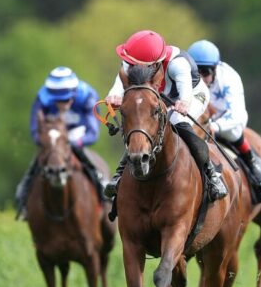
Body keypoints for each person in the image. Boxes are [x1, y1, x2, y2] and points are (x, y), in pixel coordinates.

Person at [103, 30, 227, 201]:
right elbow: (118, 85)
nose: (131, 66)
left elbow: (186, 96)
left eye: (135, 64)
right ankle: (119, 175)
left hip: (192, 95)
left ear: (153, 64)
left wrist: (183, 103)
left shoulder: (178, 64)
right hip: (157, 99)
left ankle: (211, 174)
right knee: (141, 125)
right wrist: (113, 96)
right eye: (130, 63)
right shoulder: (132, 62)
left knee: (177, 121)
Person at [14, 66, 104, 220]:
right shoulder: (42, 99)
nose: (64, 104)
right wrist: (50, 142)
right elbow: (35, 132)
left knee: (92, 165)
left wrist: (72, 142)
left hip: (77, 134)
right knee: (35, 165)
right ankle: (23, 200)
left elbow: (93, 134)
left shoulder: (88, 96)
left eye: (68, 99)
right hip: (53, 137)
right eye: (59, 101)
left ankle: (103, 194)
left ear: (75, 93)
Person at [187, 39, 261, 203]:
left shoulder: (230, 78)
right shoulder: (183, 74)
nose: (201, 78)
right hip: (197, 121)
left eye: (205, 72)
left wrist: (215, 125)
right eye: (196, 72)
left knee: (233, 133)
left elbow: (236, 114)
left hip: (225, 123)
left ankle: (251, 160)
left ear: (215, 69)